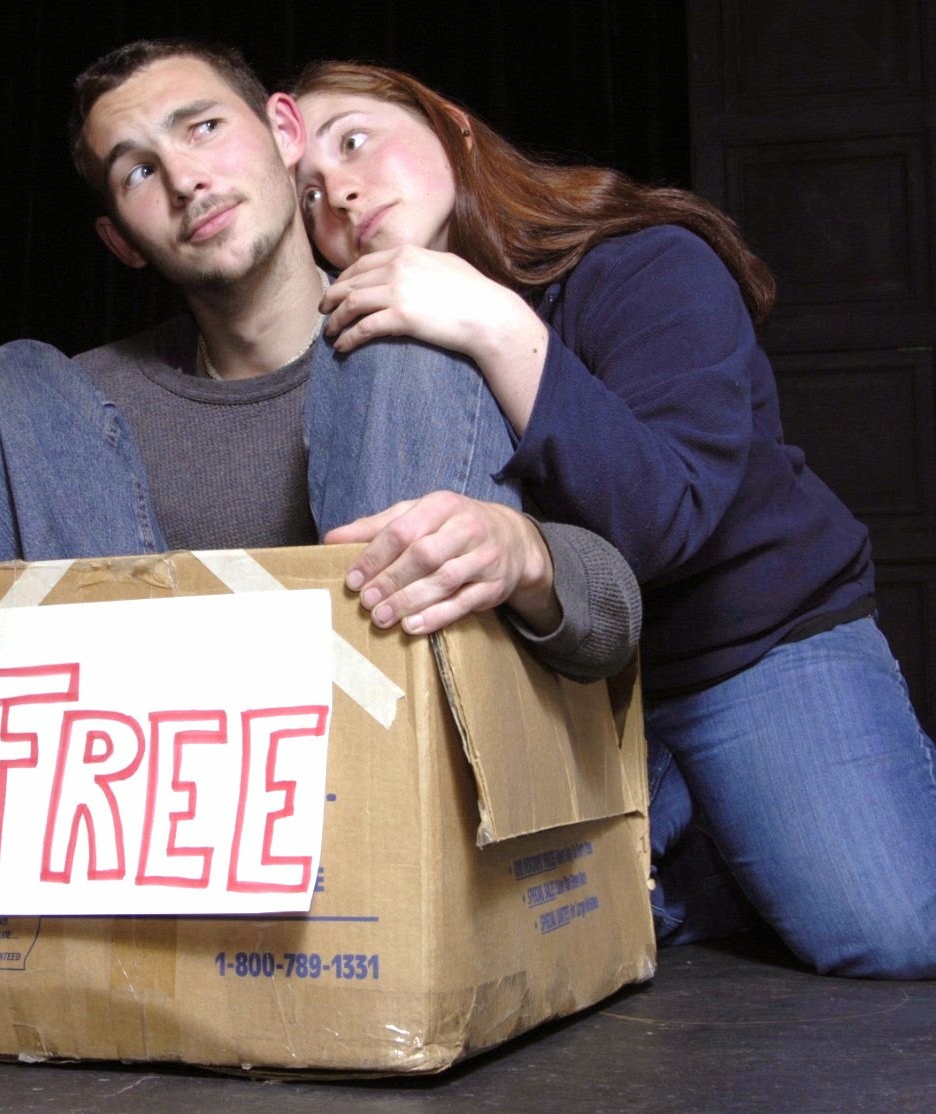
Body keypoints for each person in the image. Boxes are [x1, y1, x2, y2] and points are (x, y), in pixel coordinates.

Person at [288, 60, 936, 979]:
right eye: (307, 193)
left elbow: (666, 518)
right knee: (518, 922)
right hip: (573, 686)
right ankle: (725, 839)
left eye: (354, 141)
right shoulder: (379, 362)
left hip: (743, 646)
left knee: (891, 931)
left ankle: (766, 816)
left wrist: (498, 326)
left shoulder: (645, 261)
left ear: (453, 130)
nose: (340, 191)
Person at [0, 40, 640, 702]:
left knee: (399, 345)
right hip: (146, 790)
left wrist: (521, 552)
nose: (186, 180)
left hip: (399, 792)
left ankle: (381, 803)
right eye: (138, 172)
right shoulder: (64, 419)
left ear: (285, 131)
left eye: (203, 127)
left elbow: (613, 626)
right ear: (120, 241)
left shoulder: (437, 330)